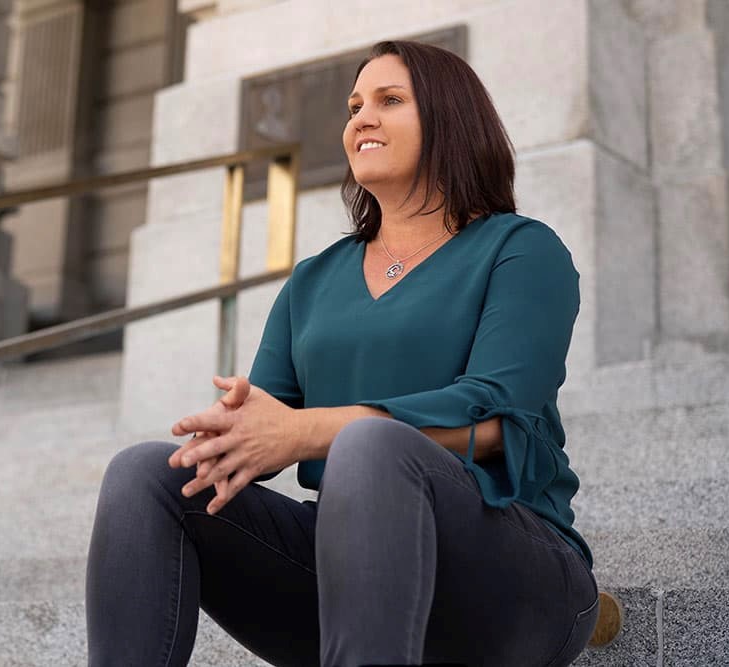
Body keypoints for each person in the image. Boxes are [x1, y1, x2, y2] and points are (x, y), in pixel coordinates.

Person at [86, 39, 598, 667]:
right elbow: (264, 427)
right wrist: (227, 437)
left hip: (510, 583)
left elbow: (498, 417)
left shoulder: (520, 250)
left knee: (372, 444)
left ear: (450, 119)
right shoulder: (313, 280)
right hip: (349, 580)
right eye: (355, 106)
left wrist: (305, 431)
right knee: (145, 474)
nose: (362, 118)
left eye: (390, 100)